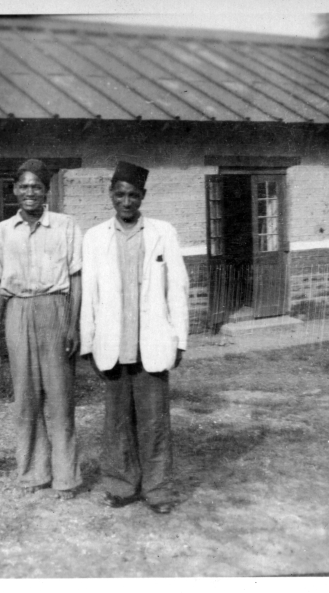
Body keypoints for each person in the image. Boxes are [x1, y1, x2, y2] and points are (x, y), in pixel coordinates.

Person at [80, 161, 190, 514]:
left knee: (155, 421)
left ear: (142, 196)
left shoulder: (163, 233)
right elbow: (90, 295)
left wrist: (180, 339)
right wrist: (88, 343)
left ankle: (158, 490)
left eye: (133, 195)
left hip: (153, 344)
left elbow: (178, 289)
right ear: (111, 195)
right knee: (117, 422)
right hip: (112, 344)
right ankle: (121, 485)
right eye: (120, 195)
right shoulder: (95, 237)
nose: (126, 202)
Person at [0, 159, 83, 500]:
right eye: (24, 186)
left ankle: (66, 477)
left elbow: (76, 277)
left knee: (59, 397)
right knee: (26, 398)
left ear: (47, 191)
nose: (30, 192)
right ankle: (32, 472)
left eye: (37, 187)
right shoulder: (1, 231)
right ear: (14, 190)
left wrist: (73, 324)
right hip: (17, 310)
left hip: (54, 308)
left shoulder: (66, 225)